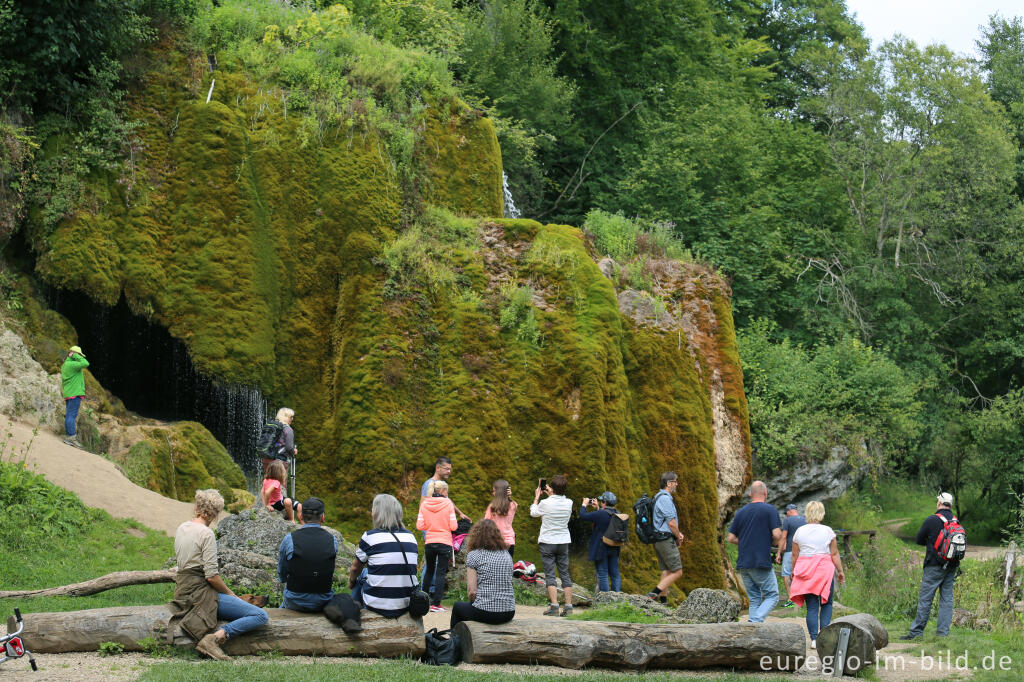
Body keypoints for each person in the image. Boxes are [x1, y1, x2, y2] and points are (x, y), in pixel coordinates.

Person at [169, 489, 268, 660]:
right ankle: (214, 639)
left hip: (182, 592)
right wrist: (232, 595)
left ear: (197, 508)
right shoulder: (206, 534)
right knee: (260, 615)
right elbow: (211, 577)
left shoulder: (182, 527)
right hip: (201, 595)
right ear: (215, 514)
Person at [330, 494, 418, 632]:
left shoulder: (370, 537)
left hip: (379, 604)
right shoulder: (411, 537)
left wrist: (351, 582)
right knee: (366, 572)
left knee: (361, 575)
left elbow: (354, 568)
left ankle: (351, 616)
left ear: (377, 513)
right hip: (406, 603)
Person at [900, 492, 962, 640]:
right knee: (947, 599)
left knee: (926, 599)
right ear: (951, 505)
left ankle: (916, 633)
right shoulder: (956, 521)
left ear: (939, 503)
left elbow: (919, 539)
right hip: (952, 565)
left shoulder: (931, 520)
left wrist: (931, 542)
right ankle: (942, 634)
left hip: (933, 565)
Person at [788, 501, 845, 649]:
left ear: (807, 513)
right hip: (824, 570)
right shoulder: (828, 531)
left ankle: (814, 639)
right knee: (827, 603)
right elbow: (834, 553)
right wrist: (840, 571)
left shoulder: (799, 531)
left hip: (805, 570)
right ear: (822, 513)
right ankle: (824, 636)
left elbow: (795, 555)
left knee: (812, 607)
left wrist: (794, 572)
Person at [727, 480, 782, 623]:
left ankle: (751, 632)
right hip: (760, 560)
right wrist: (771, 543)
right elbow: (777, 535)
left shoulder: (741, 512)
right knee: (773, 595)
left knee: (755, 598)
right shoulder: (770, 510)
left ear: (751, 494)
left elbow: (731, 538)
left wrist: (746, 540)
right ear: (765, 493)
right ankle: (755, 621)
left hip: (744, 563)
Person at [450, 519, 516, 628]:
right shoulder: (506, 555)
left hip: (485, 612)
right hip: (509, 612)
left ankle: (454, 642)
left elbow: (472, 592)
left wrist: (474, 603)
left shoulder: (474, 555)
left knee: (458, 607)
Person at [277, 497, 337, 612]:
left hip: (295, 601)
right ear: (323, 517)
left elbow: (282, 574)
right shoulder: (332, 540)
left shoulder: (290, 538)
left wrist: (284, 579)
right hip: (323, 601)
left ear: (300, 516)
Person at [530, 474, 574, 616]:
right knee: (565, 574)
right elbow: (558, 500)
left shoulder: (545, 503)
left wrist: (537, 497)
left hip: (547, 542)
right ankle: (568, 606)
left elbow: (533, 513)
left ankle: (554, 606)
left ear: (552, 488)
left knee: (550, 574)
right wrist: (552, 494)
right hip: (563, 542)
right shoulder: (569, 503)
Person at [417, 480, 458, 612]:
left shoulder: (425, 504)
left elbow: (420, 526)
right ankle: (436, 604)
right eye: (447, 491)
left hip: (430, 542)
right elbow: (454, 526)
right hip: (444, 542)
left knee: (429, 570)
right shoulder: (448, 503)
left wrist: (432, 525)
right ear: (442, 491)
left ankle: (423, 602)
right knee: (440, 573)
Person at [647, 472, 685, 603]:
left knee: (667, 571)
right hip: (665, 540)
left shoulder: (658, 497)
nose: (677, 484)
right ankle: (653, 594)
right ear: (669, 483)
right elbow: (671, 523)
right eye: (675, 482)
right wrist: (678, 536)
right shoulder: (665, 499)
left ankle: (663, 602)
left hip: (659, 539)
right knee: (678, 571)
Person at [580, 492, 623, 593]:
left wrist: (584, 504)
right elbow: (605, 520)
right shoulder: (618, 513)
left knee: (602, 573)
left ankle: (606, 600)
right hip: (614, 547)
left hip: (601, 548)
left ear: (604, 502)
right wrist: (598, 508)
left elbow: (583, 516)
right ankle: (617, 596)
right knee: (615, 573)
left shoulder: (601, 514)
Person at [776, 503, 806, 607]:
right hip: (804, 552)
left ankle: (791, 599)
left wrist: (779, 553)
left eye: (786, 513)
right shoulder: (805, 519)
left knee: (786, 574)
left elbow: (783, 537)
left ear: (789, 511)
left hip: (790, 551)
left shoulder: (788, 521)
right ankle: (803, 599)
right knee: (802, 574)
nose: (786, 515)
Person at [60, 345, 89, 449]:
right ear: (73, 354)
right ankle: (71, 438)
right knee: (71, 415)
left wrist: (75, 356)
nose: (80, 357)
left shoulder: (66, 365)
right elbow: (86, 363)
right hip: (74, 393)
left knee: (69, 415)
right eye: (79, 355)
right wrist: (76, 355)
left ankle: (69, 436)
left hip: (69, 393)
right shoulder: (72, 364)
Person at [483, 479, 517, 557]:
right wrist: (508, 496)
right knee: (506, 567)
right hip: (510, 542)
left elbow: (485, 524)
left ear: (499, 492)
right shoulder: (514, 505)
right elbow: (508, 502)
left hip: (495, 542)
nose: (492, 493)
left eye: (494, 491)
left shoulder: (492, 507)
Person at [261, 407, 297, 474]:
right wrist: (293, 451)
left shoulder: (271, 426)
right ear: (286, 417)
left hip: (266, 459)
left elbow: (273, 442)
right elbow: (289, 447)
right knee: (280, 483)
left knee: (269, 481)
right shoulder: (288, 429)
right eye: (291, 417)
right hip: (279, 462)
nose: (292, 419)